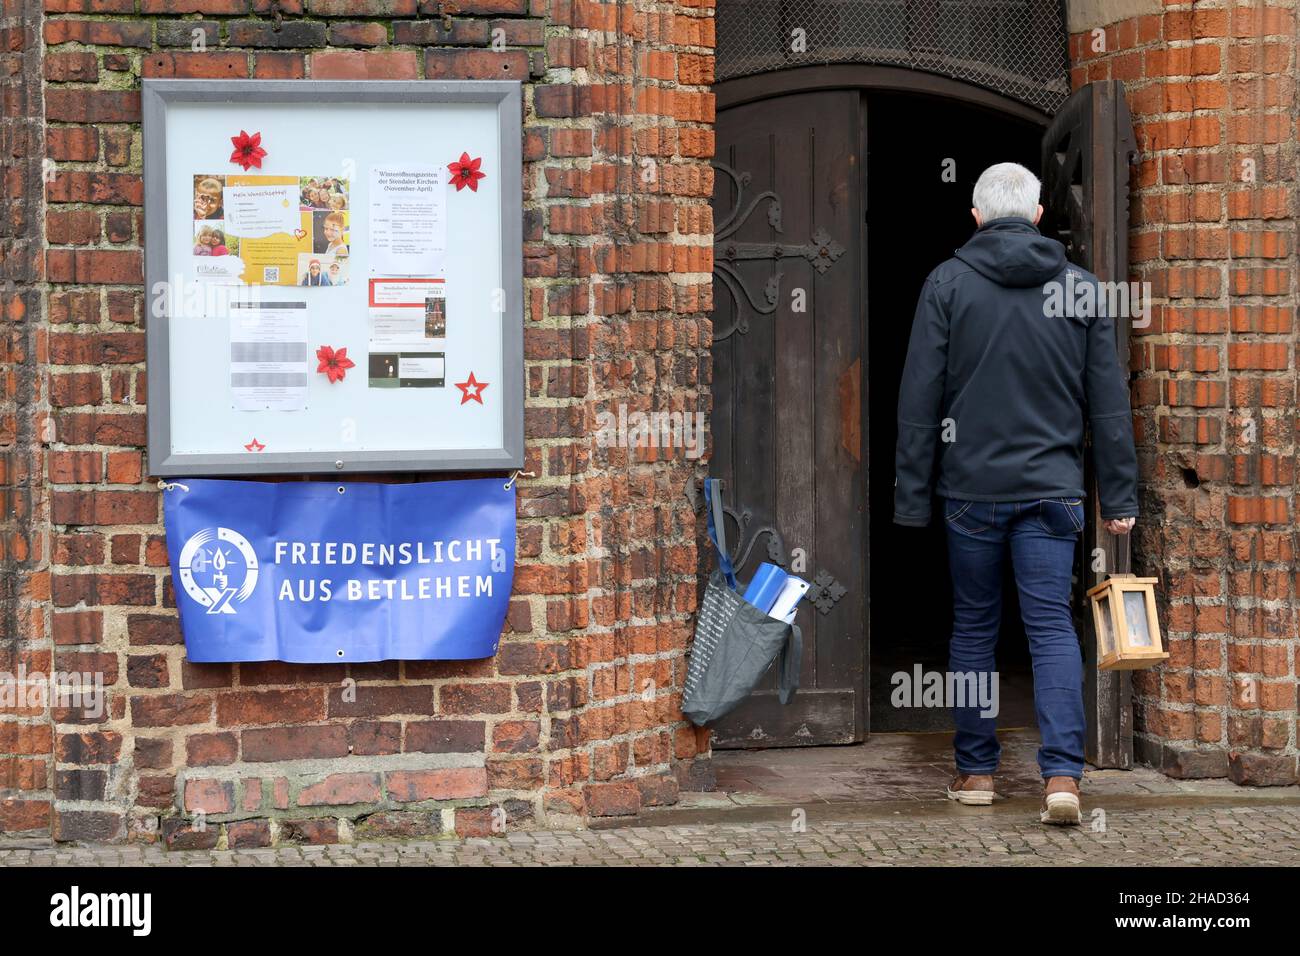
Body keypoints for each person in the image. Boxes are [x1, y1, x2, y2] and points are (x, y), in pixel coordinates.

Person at [893, 162, 1139, 826]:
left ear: (976, 218)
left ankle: (976, 774)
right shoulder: (1081, 290)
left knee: (973, 626)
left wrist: (912, 497)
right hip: (1053, 491)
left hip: (971, 491)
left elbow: (920, 402)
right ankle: (1063, 777)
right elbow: (1109, 407)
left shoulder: (946, 284)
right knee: (1051, 627)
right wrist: (1118, 498)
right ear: (1036, 216)